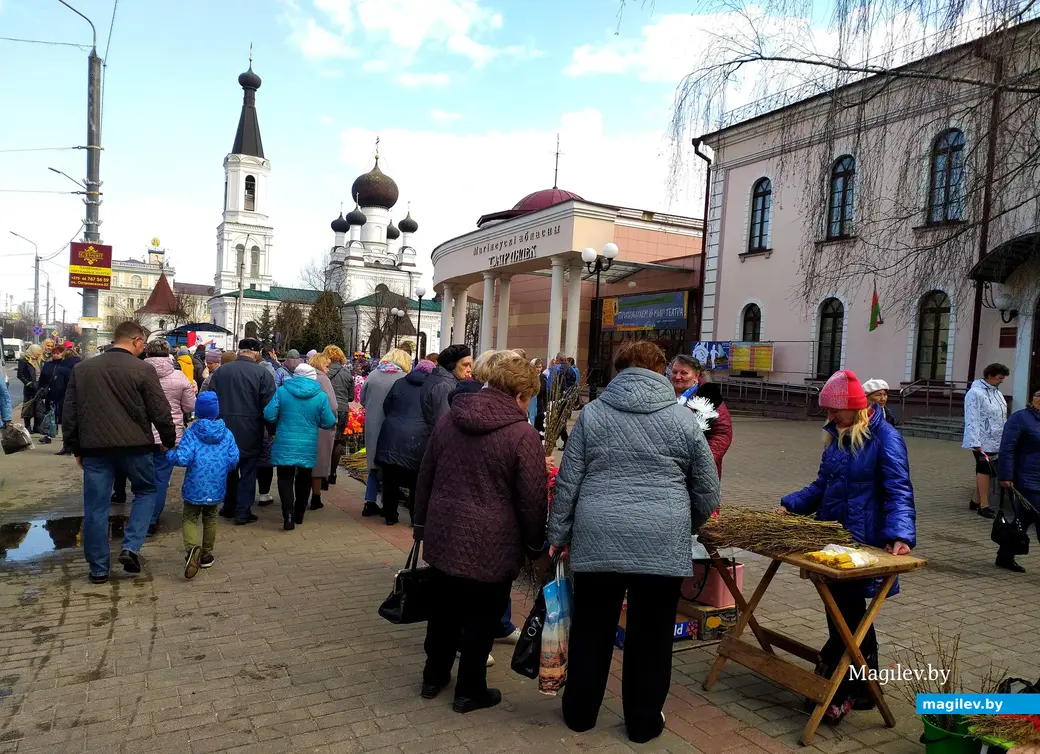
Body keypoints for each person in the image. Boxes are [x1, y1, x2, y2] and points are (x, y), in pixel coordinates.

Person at [548, 341, 720, 743]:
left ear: (619, 369)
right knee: (652, 635)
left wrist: (557, 535)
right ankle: (643, 724)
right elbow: (708, 493)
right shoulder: (683, 422)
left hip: (597, 536)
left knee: (592, 628)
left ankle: (580, 713)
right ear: (660, 370)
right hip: (661, 540)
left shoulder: (592, 415)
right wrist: (685, 524)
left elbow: (569, 483)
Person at [413, 352, 547, 713]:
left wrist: (420, 525)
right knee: (481, 618)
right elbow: (532, 499)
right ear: (520, 394)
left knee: (442, 611)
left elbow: (426, 474)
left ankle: (433, 676)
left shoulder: (450, 419)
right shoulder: (523, 435)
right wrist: (537, 545)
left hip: (444, 533)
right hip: (494, 543)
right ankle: (470, 690)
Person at [781, 369, 916, 724]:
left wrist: (900, 535)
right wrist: (791, 504)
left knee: (848, 616)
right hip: (834, 541)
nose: (828, 417)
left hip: (864, 542)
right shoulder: (837, 437)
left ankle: (844, 687)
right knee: (844, 614)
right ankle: (863, 688)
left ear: (852, 408)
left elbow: (899, 489)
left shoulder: (885, 438)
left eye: (832, 410)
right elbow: (822, 486)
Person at [62, 321, 177, 583]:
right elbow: (160, 412)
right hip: (136, 446)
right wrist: (168, 441)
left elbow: (69, 414)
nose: (144, 349)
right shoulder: (143, 370)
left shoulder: (82, 369)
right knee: (146, 491)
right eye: (143, 344)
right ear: (136, 340)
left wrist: (75, 447)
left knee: (95, 507)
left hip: (94, 449)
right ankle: (131, 547)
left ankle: (99, 568)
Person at [166, 391, 239, 579]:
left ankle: (192, 548)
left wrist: (168, 455)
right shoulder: (227, 433)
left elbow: (183, 458)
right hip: (216, 484)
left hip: (194, 485)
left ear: (197, 411)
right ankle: (206, 554)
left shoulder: (191, 432)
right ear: (217, 411)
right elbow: (233, 459)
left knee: (190, 517)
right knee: (211, 517)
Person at [205, 338, 276, 525]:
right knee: (248, 471)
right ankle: (243, 511)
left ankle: (228, 506)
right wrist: (272, 429)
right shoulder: (262, 374)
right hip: (251, 429)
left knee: (229, 469)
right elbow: (269, 406)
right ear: (255, 352)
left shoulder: (221, 371)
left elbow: (210, 399)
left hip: (224, 428)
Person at [264, 363, 337, 530]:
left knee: (285, 478)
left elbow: (269, 414)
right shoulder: (320, 396)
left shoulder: (282, 391)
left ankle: (287, 514)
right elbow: (328, 421)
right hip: (308, 443)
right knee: (304, 478)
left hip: (285, 442)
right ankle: (299, 513)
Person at [143, 339, 197, 535]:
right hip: (169, 435)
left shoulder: (137, 372)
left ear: (147, 353)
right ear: (168, 355)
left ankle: (140, 517)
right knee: (161, 480)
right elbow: (190, 407)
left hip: (141, 435)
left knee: (142, 479)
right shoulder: (180, 377)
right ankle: (151, 520)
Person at [376, 359, 436, 526]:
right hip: (418, 439)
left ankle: (390, 515)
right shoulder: (431, 387)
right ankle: (415, 519)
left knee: (390, 478)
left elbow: (386, 405)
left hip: (391, 434)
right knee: (417, 482)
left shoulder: (400, 382)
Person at [360, 349, 412, 516]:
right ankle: (388, 504)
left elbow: (361, 399)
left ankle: (369, 501)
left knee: (373, 466)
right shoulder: (403, 378)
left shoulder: (374, 375)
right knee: (390, 466)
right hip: (393, 427)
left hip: (372, 425)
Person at [995, 389, 1040, 572]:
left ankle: (1004, 556)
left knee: (1023, 518)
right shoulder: (1020, 418)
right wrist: (1005, 475)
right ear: (1035, 400)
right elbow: (1007, 447)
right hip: (1028, 479)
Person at [670, 354, 733, 479]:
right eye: (674, 372)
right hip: (669, 467)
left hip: (698, 470)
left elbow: (722, 432)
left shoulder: (708, 395)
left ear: (696, 375)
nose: (678, 377)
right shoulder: (664, 393)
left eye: (684, 373)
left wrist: (704, 460)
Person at [963, 363, 1010, 519]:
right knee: (984, 469)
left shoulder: (997, 393)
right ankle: (984, 505)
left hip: (996, 439)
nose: (1001, 381)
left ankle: (975, 500)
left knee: (986, 470)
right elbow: (972, 418)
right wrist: (974, 441)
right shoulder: (975, 393)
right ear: (990, 375)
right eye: (999, 378)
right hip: (982, 440)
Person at [307, 352, 338, 510]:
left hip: (304, 424)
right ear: (320, 365)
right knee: (318, 463)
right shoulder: (322, 378)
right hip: (320, 426)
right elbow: (332, 405)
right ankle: (316, 496)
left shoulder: (304, 376)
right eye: (326, 366)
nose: (328, 369)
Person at [421, 345, 473, 431]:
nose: (469, 370)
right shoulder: (444, 386)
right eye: (465, 365)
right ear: (451, 365)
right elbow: (445, 424)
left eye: (470, 365)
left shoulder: (440, 379)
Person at [325, 345, 353, 486]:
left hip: (325, 408)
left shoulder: (324, 371)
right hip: (342, 409)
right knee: (338, 441)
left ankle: (322, 474)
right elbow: (351, 397)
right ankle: (333, 473)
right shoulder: (347, 373)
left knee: (324, 441)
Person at [51, 345, 82, 456]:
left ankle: (67, 447)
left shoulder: (62, 369)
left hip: (65, 399)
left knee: (67, 422)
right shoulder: (82, 366)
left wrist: (53, 398)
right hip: (82, 398)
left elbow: (58, 387)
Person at [16, 344, 43, 433]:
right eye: (37, 353)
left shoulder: (39, 360)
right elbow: (20, 375)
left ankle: (37, 426)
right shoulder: (23, 360)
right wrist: (28, 383)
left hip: (39, 386)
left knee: (38, 407)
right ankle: (27, 426)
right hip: (29, 387)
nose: (38, 354)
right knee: (28, 407)